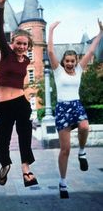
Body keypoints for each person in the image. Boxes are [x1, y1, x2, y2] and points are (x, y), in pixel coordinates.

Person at [47, 19, 103, 198]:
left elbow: (92, 50)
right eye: (67, 61)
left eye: (73, 61)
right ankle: (63, 184)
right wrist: (51, 30)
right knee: (65, 150)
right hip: (63, 109)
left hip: (76, 105)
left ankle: (82, 152)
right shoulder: (58, 71)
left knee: (85, 126)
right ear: (63, 61)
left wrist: (101, 32)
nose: (70, 63)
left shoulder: (79, 69)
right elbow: (49, 51)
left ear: (76, 61)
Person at [0, 0, 38, 187]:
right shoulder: (6, 54)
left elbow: (24, 82)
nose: (21, 47)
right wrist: (1, 7)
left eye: (25, 44)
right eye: (18, 43)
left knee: (25, 136)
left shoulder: (27, 62)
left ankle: (25, 169)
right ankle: (5, 165)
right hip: (4, 105)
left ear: (28, 47)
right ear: (12, 43)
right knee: (2, 141)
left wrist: (27, 98)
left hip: (21, 103)